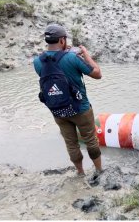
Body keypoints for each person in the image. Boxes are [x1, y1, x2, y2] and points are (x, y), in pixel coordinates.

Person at [33, 24, 102, 177]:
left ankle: (80, 172)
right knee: (91, 140)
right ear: (62, 40)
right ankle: (99, 171)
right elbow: (97, 74)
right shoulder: (72, 57)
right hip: (81, 108)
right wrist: (85, 55)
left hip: (57, 110)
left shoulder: (38, 61)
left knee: (71, 143)